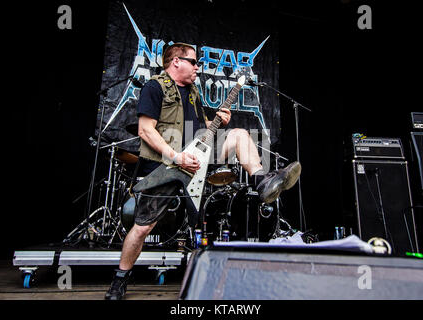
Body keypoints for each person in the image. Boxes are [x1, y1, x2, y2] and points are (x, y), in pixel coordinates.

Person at [105, 43, 301, 300]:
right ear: (176, 62)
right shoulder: (155, 87)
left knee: (241, 135)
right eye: (193, 62)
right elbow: (145, 130)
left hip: (196, 157)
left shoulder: (193, 91)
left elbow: (200, 127)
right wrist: (177, 157)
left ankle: (262, 180)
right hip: (166, 165)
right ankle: (120, 279)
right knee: (142, 228)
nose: (198, 67)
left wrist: (216, 121)